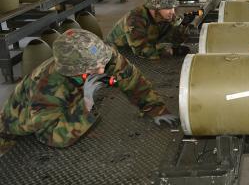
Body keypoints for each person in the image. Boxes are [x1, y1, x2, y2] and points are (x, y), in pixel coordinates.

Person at [0, 29, 177, 154]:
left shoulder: (101, 56)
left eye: (102, 64)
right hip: (14, 133)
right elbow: (52, 136)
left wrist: (154, 108)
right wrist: (86, 106)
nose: (102, 71)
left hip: (60, 112)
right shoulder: (47, 86)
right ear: (72, 69)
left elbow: (131, 79)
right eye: (93, 68)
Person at [106, 0, 191, 59]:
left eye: (173, 8)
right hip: (114, 55)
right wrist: (172, 52)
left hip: (132, 52)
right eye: (167, 8)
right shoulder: (135, 20)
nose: (172, 12)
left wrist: (183, 27)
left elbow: (174, 39)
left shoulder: (164, 16)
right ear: (154, 9)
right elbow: (142, 51)